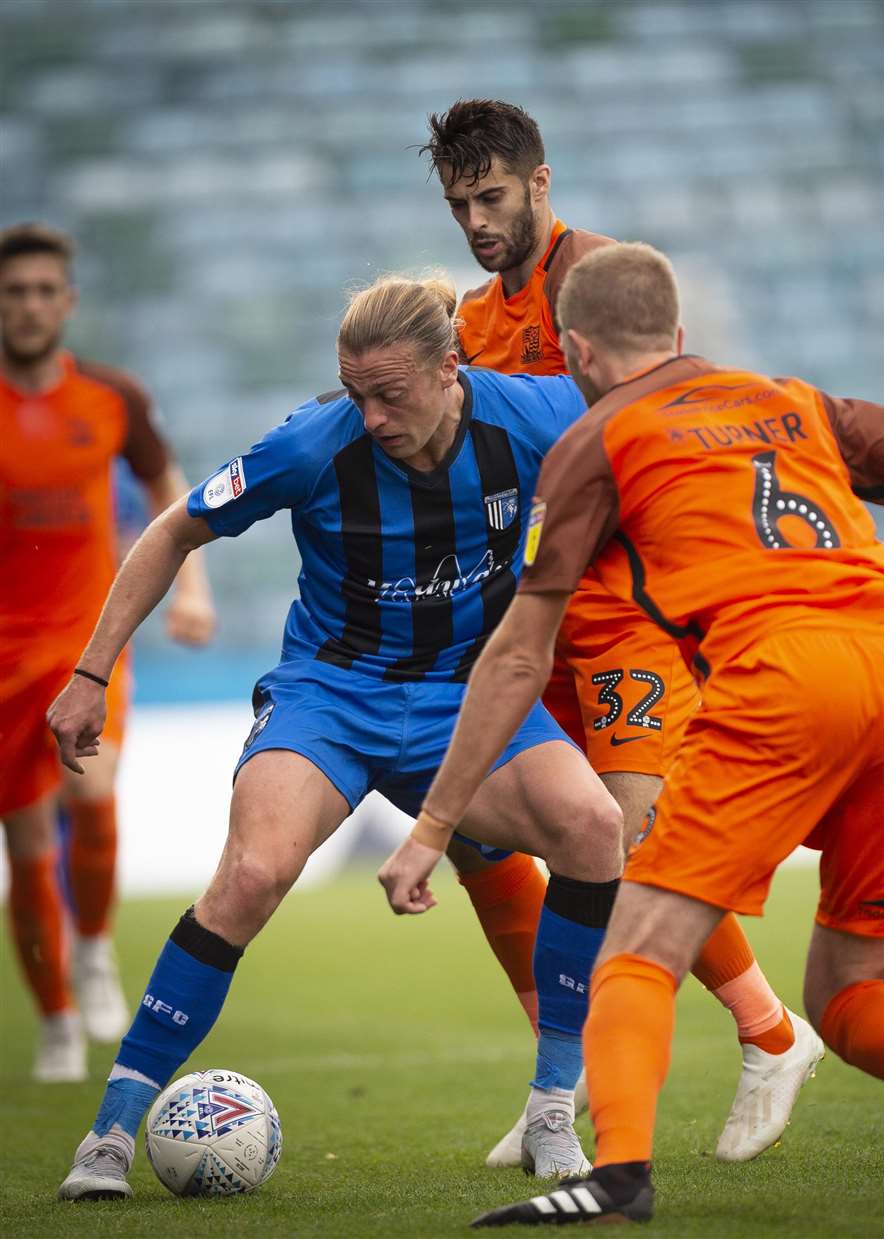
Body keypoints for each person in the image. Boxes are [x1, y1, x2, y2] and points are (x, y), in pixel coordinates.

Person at [378, 243, 884, 1226]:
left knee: (635, 945)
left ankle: (620, 1175)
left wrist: (431, 826)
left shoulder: (595, 440)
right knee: (851, 990)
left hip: (781, 676)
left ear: (578, 349)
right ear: (679, 336)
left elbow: (517, 655)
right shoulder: (797, 399)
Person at [51, 274, 627, 1200]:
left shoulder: (542, 413)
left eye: (388, 394)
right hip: (332, 694)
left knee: (596, 829)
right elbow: (172, 530)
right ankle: (113, 1129)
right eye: (354, 392)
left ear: (451, 368)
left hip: (466, 702)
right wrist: (91, 671)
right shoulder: (312, 442)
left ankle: (554, 1111)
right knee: (249, 875)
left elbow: (653, 446)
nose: (367, 416)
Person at [421, 98, 820, 1167]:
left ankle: (772, 1034)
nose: (476, 219)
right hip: (535, 615)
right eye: (460, 202)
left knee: (638, 847)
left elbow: (643, 414)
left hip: (625, 617)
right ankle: (566, 1078)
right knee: (482, 831)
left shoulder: (597, 282)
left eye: (493, 196)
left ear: (541, 185)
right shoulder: (471, 314)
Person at [0, 222, 215, 1083]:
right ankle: (55, 1019)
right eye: (15, 291)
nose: (29, 305)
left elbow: (169, 487)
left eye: (45, 290)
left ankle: (93, 949)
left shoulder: (112, 397)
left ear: (69, 301)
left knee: (92, 792)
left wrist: (191, 587)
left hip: (87, 641)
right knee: (24, 847)